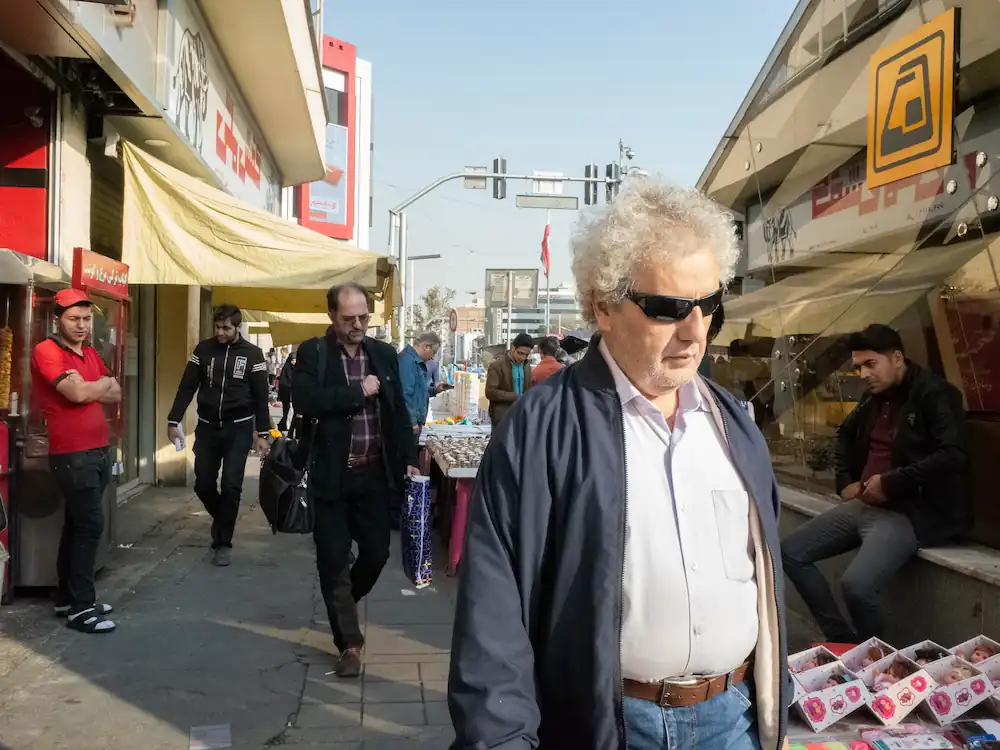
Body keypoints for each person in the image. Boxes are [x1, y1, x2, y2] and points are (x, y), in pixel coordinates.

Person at [448, 180, 790, 750]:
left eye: (709, 306)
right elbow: (493, 619)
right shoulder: (542, 429)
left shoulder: (735, 425)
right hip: (608, 728)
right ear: (603, 306)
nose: (695, 331)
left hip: (735, 721)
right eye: (668, 309)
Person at [782, 324, 968, 642]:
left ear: (897, 358)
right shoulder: (874, 397)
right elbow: (844, 434)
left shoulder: (935, 394)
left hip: (909, 512)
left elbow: (952, 455)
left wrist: (892, 484)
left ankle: (874, 660)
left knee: (856, 585)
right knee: (790, 552)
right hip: (864, 504)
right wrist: (845, 482)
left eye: (871, 364)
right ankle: (843, 641)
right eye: (858, 367)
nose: (864, 374)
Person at [292, 282, 419, 679]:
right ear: (332, 316)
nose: (358, 325)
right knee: (332, 561)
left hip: (374, 475)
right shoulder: (314, 353)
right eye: (349, 319)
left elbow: (396, 411)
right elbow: (306, 401)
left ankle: (341, 601)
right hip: (332, 478)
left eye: (364, 317)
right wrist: (357, 391)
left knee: (377, 553)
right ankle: (349, 643)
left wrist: (410, 460)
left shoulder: (382, 354)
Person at [30, 289, 122, 634]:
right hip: (72, 453)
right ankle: (83, 609)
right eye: (74, 319)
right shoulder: (47, 350)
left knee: (76, 525)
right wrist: (98, 384)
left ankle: (67, 597)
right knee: (89, 526)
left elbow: (116, 392)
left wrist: (95, 384)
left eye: (86, 319)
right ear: (58, 320)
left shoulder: (88, 352)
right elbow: (78, 393)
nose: (82, 325)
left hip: (97, 450)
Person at [167, 304, 272, 567]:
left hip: (239, 428)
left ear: (238, 327)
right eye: (217, 327)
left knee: (232, 485)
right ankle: (224, 518)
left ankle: (222, 542)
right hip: (207, 427)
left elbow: (261, 398)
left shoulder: (253, 354)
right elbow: (187, 386)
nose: (220, 332)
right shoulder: (204, 350)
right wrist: (173, 419)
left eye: (226, 327)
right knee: (203, 484)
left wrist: (262, 434)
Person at [399, 332, 447, 435]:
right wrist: (411, 422)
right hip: (407, 424)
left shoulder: (416, 362)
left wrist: (435, 390)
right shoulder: (407, 361)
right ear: (426, 347)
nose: (433, 357)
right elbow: (404, 394)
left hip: (414, 421)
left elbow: (418, 391)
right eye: (434, 352)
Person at [484, 332, 534, 426]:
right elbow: (490, 392)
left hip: (522, 414)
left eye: (526, 355)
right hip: (502, 416)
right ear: (513, 348)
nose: (523, 357)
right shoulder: (497, 366)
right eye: (520, 353)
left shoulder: (527, 366)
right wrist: (516, 396)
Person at [276, 349, 296, 432]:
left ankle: (282, 424)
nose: (294, 362)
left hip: (288, 391)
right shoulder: (288, 368)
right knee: (288, 409)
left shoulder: (289, 367)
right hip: (287, 391)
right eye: (293, 360)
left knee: (287, 409)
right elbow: (290, 379)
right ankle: (285, 425)